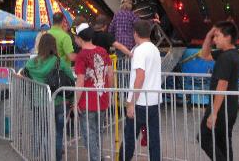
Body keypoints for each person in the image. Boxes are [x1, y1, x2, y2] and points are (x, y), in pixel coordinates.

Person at [24, 33, 74, 161]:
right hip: (58, 102)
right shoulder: (58, 62)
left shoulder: (31, 63)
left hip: (38, 103)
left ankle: (41, 156)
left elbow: (24, 73)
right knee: (58, 133)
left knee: (42, 131)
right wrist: (72, 100)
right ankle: (56, 158)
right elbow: (70, 77)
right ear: (53, 46)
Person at [199, 20, 239, 161]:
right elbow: (204, 55)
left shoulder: (227, 58)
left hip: (222, 108)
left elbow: (222, 85)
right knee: (223, 144)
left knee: (204, 137)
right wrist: (208, 35)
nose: (214, 39)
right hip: (228, 106)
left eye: (217, 36)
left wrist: (214, 113)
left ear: (228, 37)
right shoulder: (229, 53)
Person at [121, 19, 162, 161]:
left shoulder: (139, 51)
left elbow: (140, 76)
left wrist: (132, 102)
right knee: (154, 139)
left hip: (140, 102)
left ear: (136, 33)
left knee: (129, 138)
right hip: (154, 100)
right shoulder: (155, 49)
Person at [73, 23, 113, 161]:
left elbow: (80, 80)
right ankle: (99, 157)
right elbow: (110, 73)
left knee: (88, 134)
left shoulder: (81, 56)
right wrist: (109, 92)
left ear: (79, 38)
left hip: (87, 101)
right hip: (102, 97)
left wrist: (75, 101)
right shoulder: (103, 51)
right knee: (98, 132)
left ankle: (96, 158)